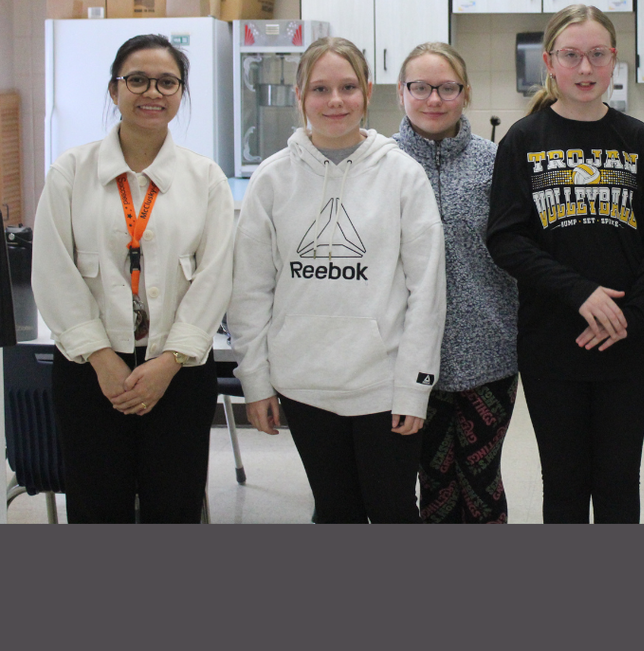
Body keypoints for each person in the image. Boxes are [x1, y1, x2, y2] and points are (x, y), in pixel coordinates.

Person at [229, 36, 445, 524]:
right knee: (334, 510)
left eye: (348, 87)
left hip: (383, 386)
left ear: (367, 91)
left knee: (392, 510)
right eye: (321, 89)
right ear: (300, 95)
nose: (335, 101)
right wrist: (257, 381)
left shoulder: (402, 175)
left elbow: (427, 293)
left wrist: (414, 388)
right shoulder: (272, 178)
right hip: (303, 384)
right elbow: (250, 292)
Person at [486, 4, 644, 524]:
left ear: (613, 60)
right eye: (571, 56)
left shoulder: (636, 138)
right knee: (565, 484)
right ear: (550, 62)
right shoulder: (523, 140)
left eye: (597, 55)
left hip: (628, 344)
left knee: (620, 483)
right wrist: (580, 293)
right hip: (553, 341)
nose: (585, 68)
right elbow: (506, 239)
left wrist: (630, 316)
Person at [32, 34, 234, 523]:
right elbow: (53, 273)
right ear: (113, 90)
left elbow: (215, 277)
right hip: (90, 372)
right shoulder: (70, 173)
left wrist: (168, 362)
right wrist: (102, 360)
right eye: (138, 80)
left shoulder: (205, 178)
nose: (153, 92)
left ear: (181, 93)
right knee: (97, 506)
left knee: (175, 504)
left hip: (179, 371)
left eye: (168, 82)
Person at [394, 41, 519, 523]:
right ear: (400, 92)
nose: (433, 99)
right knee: (435, 482)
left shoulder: (496, 162)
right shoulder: (380, 162)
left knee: (482, 479)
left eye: (447, 88)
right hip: (406, 361)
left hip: (488, 353)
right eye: (420, 87)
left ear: (465, 93)